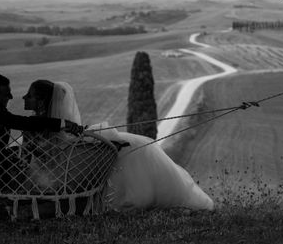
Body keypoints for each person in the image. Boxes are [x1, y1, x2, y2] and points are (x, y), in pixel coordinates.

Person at [23, 79, 215, 211]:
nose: (24, 98)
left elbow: (32, 157)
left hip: (65, 169)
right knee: (136, 145)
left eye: (29, 95)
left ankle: (138, 194)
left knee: (135, 145)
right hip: (63, 170)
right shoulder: (51, 124)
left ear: (40, 101)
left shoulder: (37, 126)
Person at [0, 73, 85, 193]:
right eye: (6, 94)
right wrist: (62, 124)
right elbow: (18, 122)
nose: (11, 97)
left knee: (15, 152)